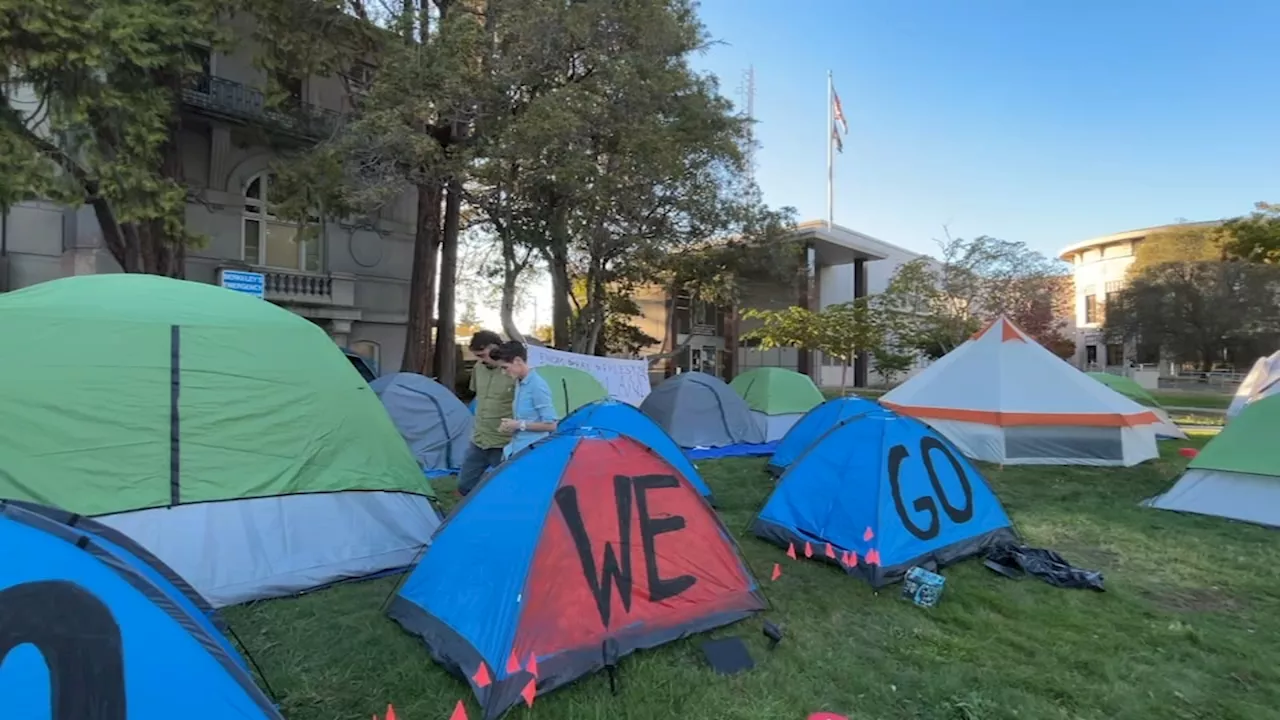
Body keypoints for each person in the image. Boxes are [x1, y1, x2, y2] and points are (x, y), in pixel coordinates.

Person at [458, 330, 513, 496]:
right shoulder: (478, 368)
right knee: (465, 485)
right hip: (479, 438)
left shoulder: (512, 371)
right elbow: (477, 396)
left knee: (506, 486)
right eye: (477, 356)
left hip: (503, 441)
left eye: (483, 355)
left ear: (496, 349)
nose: (481, 360)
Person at [492, 341, 559, 458]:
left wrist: (519, 425)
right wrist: (511, 426)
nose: (504, 373)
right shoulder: (519, 382)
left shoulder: (537, 385)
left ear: (518, 361)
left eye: (505, 368)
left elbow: (552, 425)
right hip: (517, 448)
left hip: (533, 452)